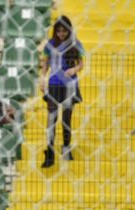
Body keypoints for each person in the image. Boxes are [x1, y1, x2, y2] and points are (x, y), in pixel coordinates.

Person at [40, 15, 85, 168]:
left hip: (69, 85)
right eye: (58, 31)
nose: (61, 34)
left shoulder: (75, 44)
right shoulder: (50, 45)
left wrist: (74, 69)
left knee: (66, 119)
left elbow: (81, 63)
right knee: (51, 119)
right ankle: (50, 151)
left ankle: (66, 147)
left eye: (64, 31)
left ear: (68, 30)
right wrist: (42, 78)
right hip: (53, 85)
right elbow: (45, 64)